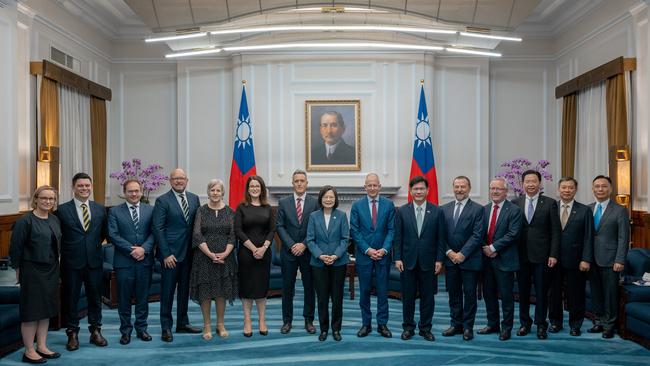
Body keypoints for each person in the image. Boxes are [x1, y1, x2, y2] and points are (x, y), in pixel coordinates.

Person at [55, 172, 108, 351]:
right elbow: (57, 236)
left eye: (87, 186)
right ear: (73, 188)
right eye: (80, 186)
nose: (84, 189)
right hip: (71, 263)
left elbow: (102, 234)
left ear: (91, 187)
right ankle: (72, 333)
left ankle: (96, 331)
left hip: (94, 261)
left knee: (95, 297)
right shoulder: (62, 210)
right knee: (71, 298)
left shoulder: (100, 209)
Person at [10, 186, 62, 363]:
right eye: (44, 198)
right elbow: (15, 249)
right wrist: (18, 269)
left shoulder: (55, 219)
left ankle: (42, 346)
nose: (48, 201)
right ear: (36, 199)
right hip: (32, 271)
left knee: (45, 310)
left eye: (52, 199)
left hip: (51, 270)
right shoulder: (25, 221)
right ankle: (29, 350)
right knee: (32, 311)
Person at [394, 175, 446, 342]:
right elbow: (398, 238)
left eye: (421, 188)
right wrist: (397, 258)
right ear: (410, 191)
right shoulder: (402, 211)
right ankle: (408, 328)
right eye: (415, 189)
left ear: (427, 190)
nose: (418, 191)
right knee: (407, 297)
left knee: (428, 297)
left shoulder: (437, 211)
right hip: (407, 262)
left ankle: (425, 328)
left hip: (429, 262)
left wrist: (439, 259)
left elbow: (441, 238)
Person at [153, 168, 202, 342]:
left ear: (187, 180)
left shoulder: (194, 198)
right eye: (175, 178)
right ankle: (166, 327)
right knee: (167, 292)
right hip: (170, 256)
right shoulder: (162, 201)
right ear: (170, 180)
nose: (179, 181)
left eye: (182, 178)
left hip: (190, 254)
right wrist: (165, 254)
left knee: (184, 291)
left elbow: (197, 225)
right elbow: (158, 229)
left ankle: (182, 323)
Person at [512, 170, 561, 339]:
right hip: (521, 256)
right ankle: (524, 323)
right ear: (522, 184)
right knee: (523, 293)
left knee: (541, 293)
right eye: (527, 181)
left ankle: (541, 324)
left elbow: (556, 232)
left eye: (534, 181)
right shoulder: (515, 202)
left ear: (540, 184)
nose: (531, 184)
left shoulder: (550, 203)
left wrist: (553, 254)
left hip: (542, 256)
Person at [107, 179, 155, 345]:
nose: (134, 194)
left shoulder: (151, 210)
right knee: (124, 299)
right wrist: (133, 250)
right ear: (124, 192)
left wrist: (144, 249)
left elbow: (155, 232)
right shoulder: (114, 212)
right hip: (124, 262)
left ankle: (142, 329)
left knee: (143, 298)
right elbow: (113, 235)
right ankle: (125, 331)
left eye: (137, 191)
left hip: (144, 261)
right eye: (130, 191)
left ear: (141, 192)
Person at [190, 179, 237, 341]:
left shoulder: (230, 212)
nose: (215, 193)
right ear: (208, 192)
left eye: (218, 190)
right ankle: (207, 325)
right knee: (205, 292)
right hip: (204, 258)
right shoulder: (201, 211)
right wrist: (210, 254)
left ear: (223, 193)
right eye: (212, 190)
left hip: (225, 258)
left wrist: (225, 254)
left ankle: (220, 324)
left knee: (221, 292)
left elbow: (233, 235)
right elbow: (197, 234)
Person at [350, 173, 395, 338]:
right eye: (369, 185)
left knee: (383, 291)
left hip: (383, 255)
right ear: (365, 187)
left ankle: (382, 324)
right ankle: (366, 324)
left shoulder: (389, 205)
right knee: (364, 291)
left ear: (379, 186)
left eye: (375, 185)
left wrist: (384, 249)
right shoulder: (357, 206)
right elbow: (354, 231)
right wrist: (367, 250)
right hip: (364, 256)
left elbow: (391, 230)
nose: (372, 188)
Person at [548, 177, 594, 336]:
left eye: (570, 188)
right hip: (553, 259)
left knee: (576, 294)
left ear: (576, 190)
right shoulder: (551, 207)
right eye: (564, 187)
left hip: (576, 260)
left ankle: (576, 325)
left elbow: (589, 236)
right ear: (558, 190)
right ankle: (555, 322)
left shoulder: (585, 210)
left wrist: (586, 259)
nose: (567, 190)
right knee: (554, 294)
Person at [440, 176, 484, 341]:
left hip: (470, 260)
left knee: (470, 295)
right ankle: (456, 324)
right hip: (450, 260)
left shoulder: (478, 209)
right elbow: (440, 235)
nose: (459, 190)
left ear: (469, 188)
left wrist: (462, 254)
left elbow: (477, 235)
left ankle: (467, 327)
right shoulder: (443, 209)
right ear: (453, 188)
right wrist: (450, 252)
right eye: (456, 186)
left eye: (463, 187)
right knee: (454, 294)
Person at [478, 177, 522, 341]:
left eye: (499, 189)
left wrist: (494, 248)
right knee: (488, 294)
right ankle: (492, 324)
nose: (495, 192)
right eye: (492, 189)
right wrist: (485, 248)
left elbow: (513, 234)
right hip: (487, 261)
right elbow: (479, 233)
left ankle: (506, 327)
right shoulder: (484, 209)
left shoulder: (514, 210)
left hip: (505, 259)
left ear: (506, 191)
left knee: (506, 296)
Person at [276, 169, 318, 334]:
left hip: (308, 252)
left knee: (309, 288)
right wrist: (292, 244)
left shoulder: (315, 203)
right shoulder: (283, 202)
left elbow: (316, 226)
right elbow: (280, 226)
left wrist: (304, 244)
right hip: (289, 252)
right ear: (292, 183)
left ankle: (309, 320)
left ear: (307, 183)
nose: (299, 183)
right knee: (287, 288)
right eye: (296, 181)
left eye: (302, 181)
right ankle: (287, 321)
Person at [306, 185, 350, 342]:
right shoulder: (313, 216)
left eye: (331, 197)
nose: (328, 199)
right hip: (319, 263)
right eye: (325, 197)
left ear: (335, 199)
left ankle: (336, 329)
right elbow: (310, 240)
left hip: (338, 263)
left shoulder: (342, 215)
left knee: (337, 298)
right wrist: (321, 255)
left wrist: (335, 256)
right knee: (322, 298)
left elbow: (346, 239)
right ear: (321, 199)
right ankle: (324, 329)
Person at [588, 175, 630, 339]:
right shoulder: (588, 208)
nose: (600, 189)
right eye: (597, 186)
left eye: (604, 186)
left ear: (610, 189)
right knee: (596, 292)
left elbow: (623, 237)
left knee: (610, 294)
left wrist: (620, 260)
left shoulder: (620, 210)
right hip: (591, 259)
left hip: (611, 260)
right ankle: (598, 321)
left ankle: (609, 325)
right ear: (593, 189)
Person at [234, 175, 276, 337]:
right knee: (247, 289)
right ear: (248, 189)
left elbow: (272, 230)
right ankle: (247, 321)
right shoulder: (241, 207)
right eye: (252, 186)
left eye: (257, 186)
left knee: (261, 288)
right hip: (246, 253)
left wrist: (263, 248)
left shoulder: (268, 208)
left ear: (262, 189)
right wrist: (253, 249)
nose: (254, 189)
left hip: (264, 254)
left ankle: (262, 320)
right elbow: (238, 231)